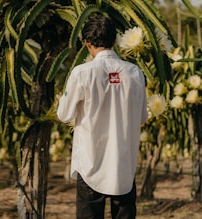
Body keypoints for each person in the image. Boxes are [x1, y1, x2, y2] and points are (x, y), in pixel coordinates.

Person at [57, 14, 148, 219]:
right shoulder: (135, 73)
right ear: (114, 41)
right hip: (123, 167)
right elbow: (142, 117)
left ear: (87, 43)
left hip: (90, 166)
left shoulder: (81, 73)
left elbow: (64, 114)